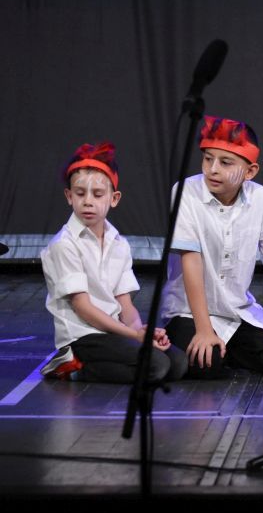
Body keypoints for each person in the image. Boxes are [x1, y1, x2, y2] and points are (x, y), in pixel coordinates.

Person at [40, 142, 187, 382]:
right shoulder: (64, 245)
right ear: (69, 196)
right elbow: (83, 307)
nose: (88, 201)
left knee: (178, 364)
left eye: (97, 194)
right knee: (156, 366)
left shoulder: (118, 243)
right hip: (83, 336)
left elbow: (125, 305)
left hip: (112, 331)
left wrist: (140, 331)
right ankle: (73, 367)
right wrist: (132, 335)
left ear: (114, 198)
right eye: (80, 193)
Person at [161, 116, 263, 379]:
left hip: (236, 312)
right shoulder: (186, 192)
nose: (212, 169)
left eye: (225, 162)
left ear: (250, 171)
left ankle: (228, 349)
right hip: (188, 313)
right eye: (208, 159)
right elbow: (191, 260)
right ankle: (214, 348)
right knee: (206, 362)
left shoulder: (260, 198)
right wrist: (203, 330)